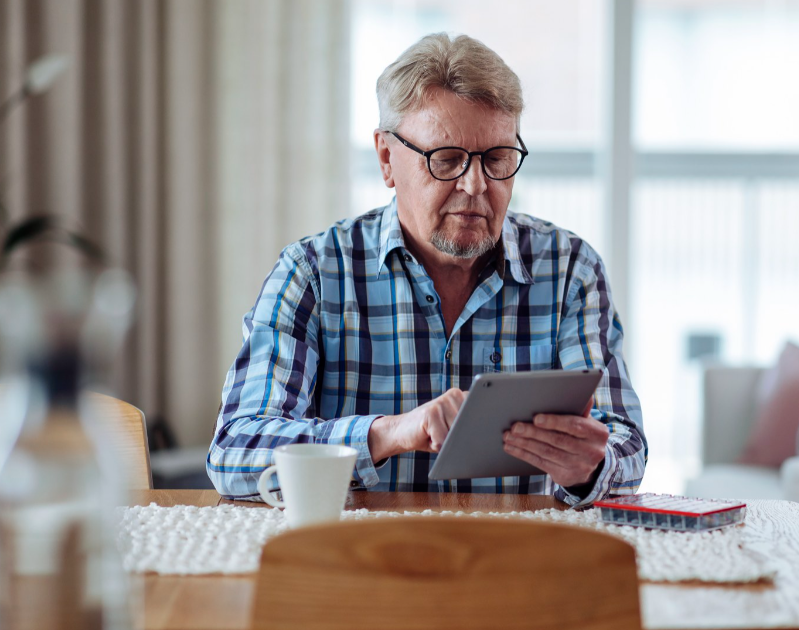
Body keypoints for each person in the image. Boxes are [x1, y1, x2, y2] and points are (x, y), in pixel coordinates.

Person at [207, 33, 645, 506]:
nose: (476, 185)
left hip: (514, 562)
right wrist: (389, 434)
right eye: (447, 159)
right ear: (386, 159)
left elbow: (625, 444)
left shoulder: (570, 271)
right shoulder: (313, 273)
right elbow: (235, 450)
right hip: (361, 565)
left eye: (497, 159)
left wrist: (591, 466)